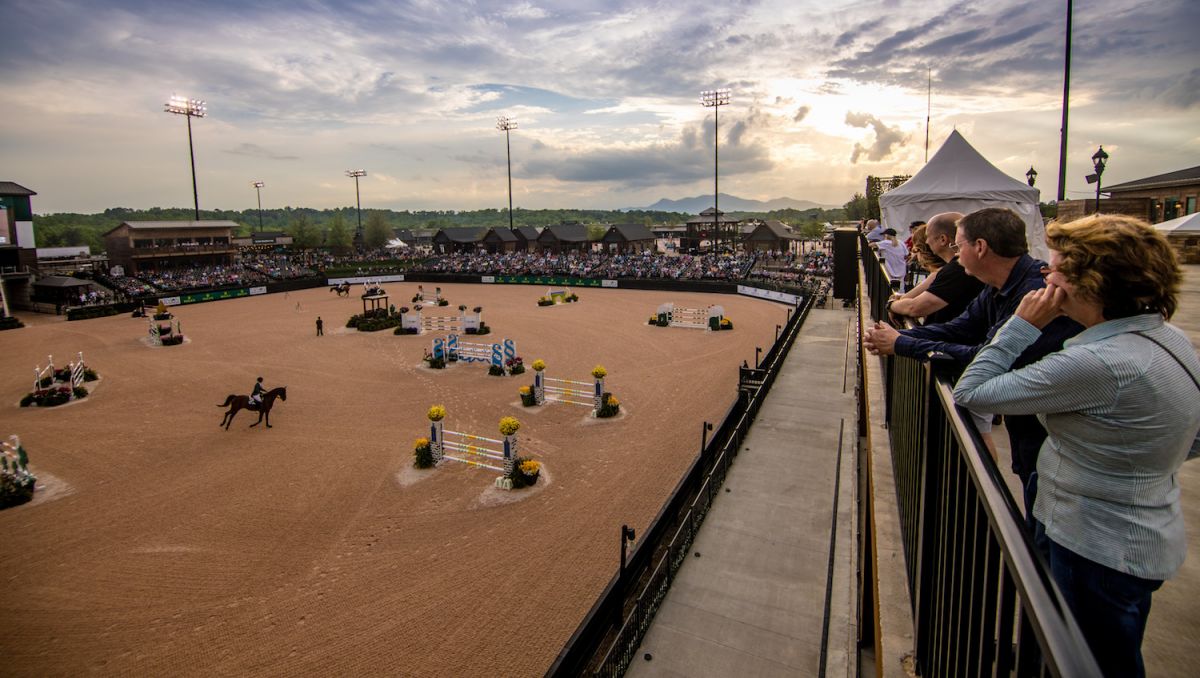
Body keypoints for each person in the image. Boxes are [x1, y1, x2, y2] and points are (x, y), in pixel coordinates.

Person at [952, 214, 1199, 678]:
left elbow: (973, 391)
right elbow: (1193, 433)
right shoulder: (1169, 339)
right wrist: (1135, 468)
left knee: (1090, 661)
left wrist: (1021, 325)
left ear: (1093, 280)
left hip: (1094, 542)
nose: (1047, 275)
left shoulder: (1102, 362)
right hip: (1129, 531)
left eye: (1058, 266)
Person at [864, 207, 1083, 524]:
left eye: (958, 245)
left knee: (1046, 536)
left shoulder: (1033, 293)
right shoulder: (999, 288)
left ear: (979, 247)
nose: (955, 253)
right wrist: (900, 337)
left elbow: (985, 358)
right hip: (1033, 434)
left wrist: (903, 343)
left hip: (1054, 445)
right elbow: (960, 328)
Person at [888, 212, 985, 326]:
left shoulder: (956, 269)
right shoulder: (958, 268)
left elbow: (915, 307)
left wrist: (891, 305)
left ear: (943, 239)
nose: (927, 242)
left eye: (928, 236)